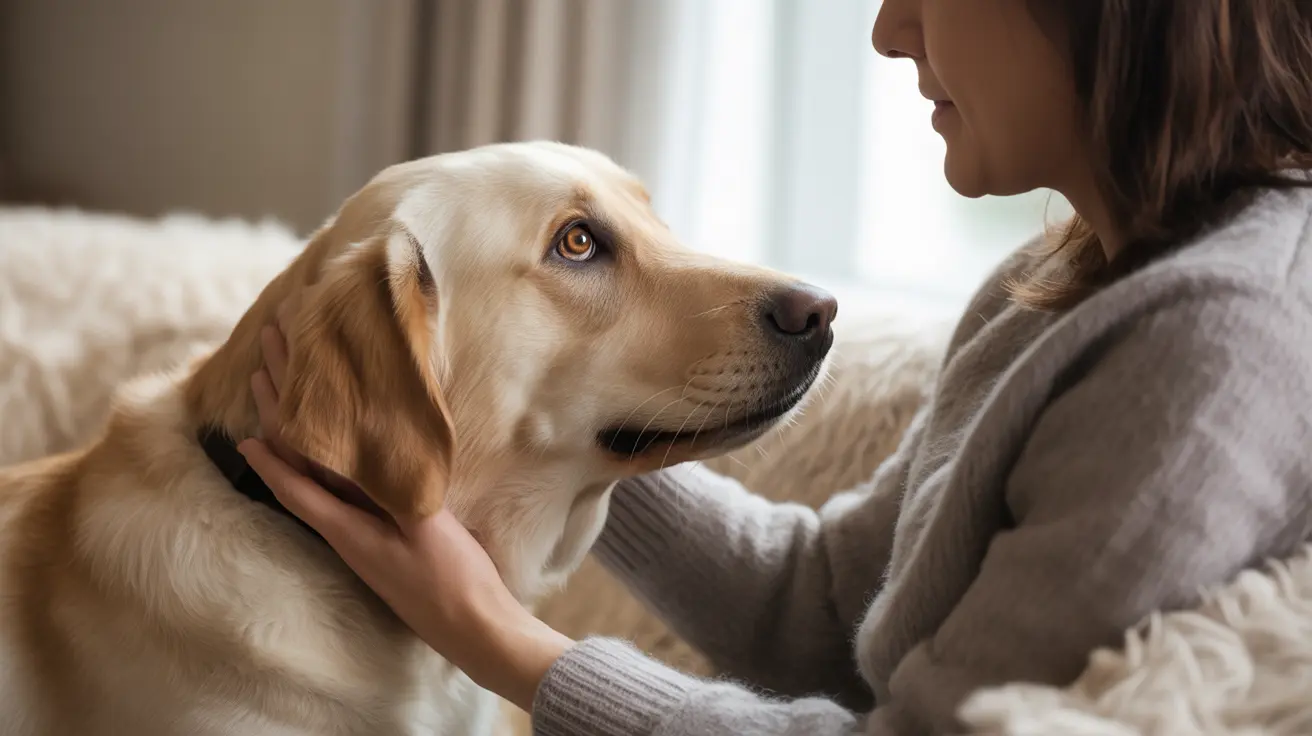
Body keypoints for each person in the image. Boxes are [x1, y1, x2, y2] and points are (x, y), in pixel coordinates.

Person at [237, 0, 1312, 733]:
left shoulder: (1221, 342)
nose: (890, 31)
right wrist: (551, 423)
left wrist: (499, 637)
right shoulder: (1065, 276)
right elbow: (830, 608)